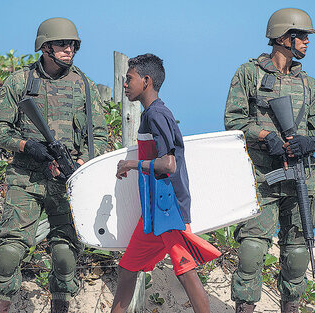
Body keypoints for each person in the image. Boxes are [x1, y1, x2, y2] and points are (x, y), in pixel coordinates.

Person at [0, 17, 108, 313]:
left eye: (73, 45)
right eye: (62, 44)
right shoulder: (20, 82)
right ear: (45, 47)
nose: (69, 49)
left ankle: (60, 306)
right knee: (8, 252)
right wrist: (27, 146)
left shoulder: (84, 86)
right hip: (25, 178)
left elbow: (99, 136)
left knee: (65, 253)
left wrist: (78, 164)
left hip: (66, 182)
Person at [224, 8, 315, 313]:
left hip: (300, 177)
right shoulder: (249, 74)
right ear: (283, 38)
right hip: (262, 176)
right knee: (251, 250)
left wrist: (309, 142)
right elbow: (233, 121)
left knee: (298, 253)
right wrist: (265, 137)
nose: (306, 42)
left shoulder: (312, 86)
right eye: (301, 36)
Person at [112, 54, 221, 313]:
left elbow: (167, 164)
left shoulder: (157, 114)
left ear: (146, 81)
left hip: (168, 209)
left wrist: (131, 165)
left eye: (129, 79)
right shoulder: (151, 114)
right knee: (127, 269)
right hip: (154, 212)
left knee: (186, 273)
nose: (124, 84)